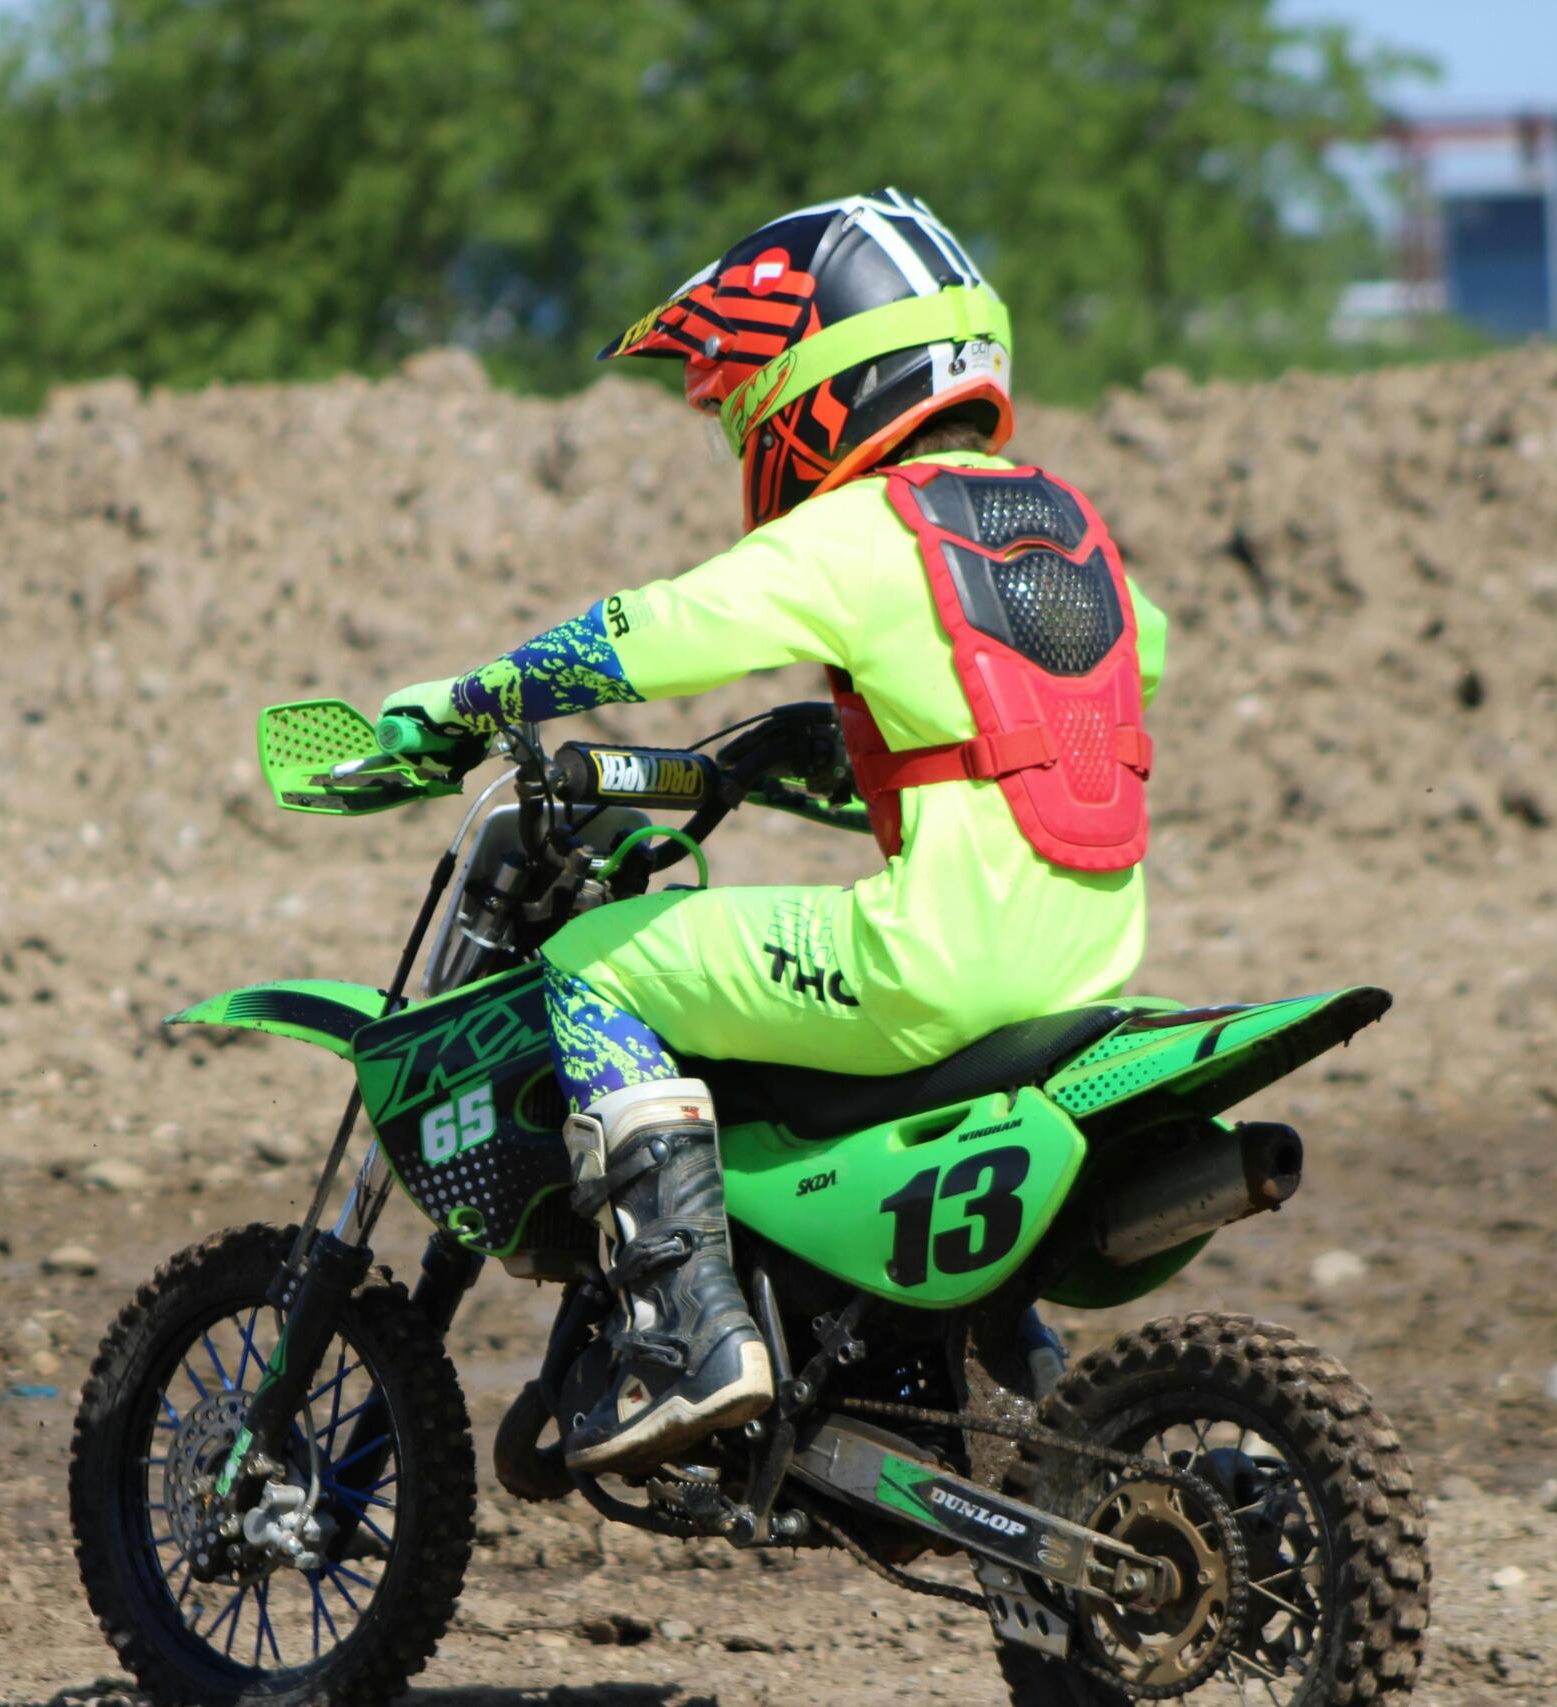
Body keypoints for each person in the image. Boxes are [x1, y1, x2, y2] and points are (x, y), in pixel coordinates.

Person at [381, 189, 1166, 1474]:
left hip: (934, 956)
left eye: (747, 403)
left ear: (824, 382)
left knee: (596, 968)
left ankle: (690, 1335)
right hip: (1091, 955)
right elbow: (1079, 680)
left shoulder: (864, 530)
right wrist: (851, 751)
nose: (745, 433)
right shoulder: (1069, 531)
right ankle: (932, 1342)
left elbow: (654, 631)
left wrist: (463, 702)